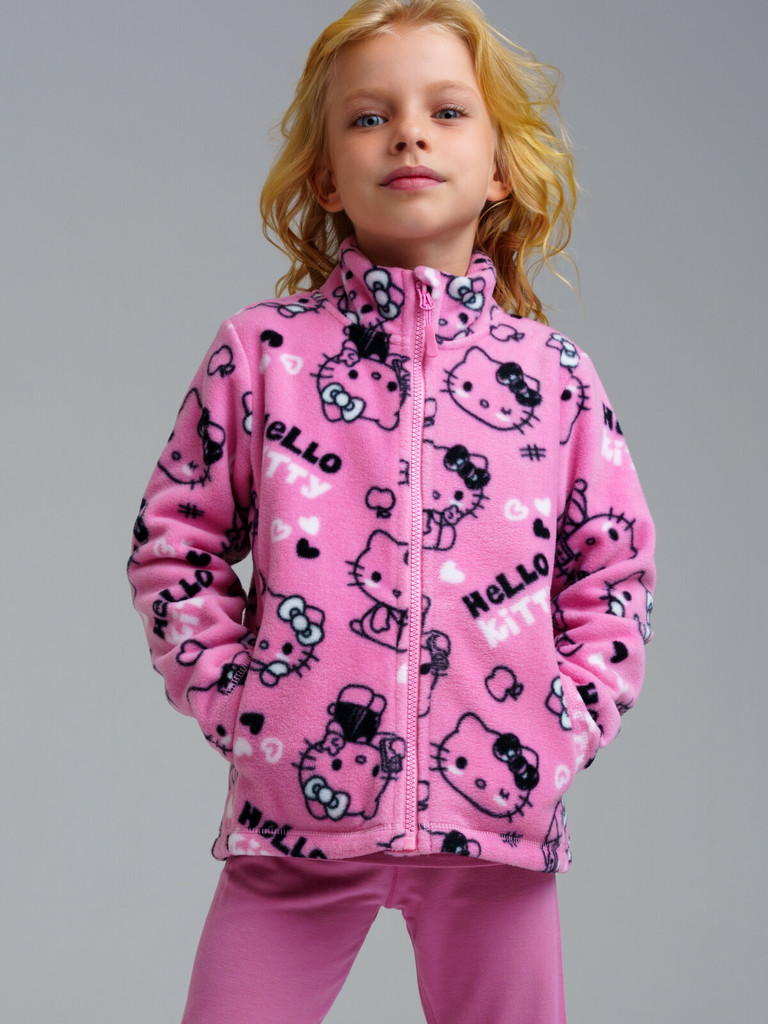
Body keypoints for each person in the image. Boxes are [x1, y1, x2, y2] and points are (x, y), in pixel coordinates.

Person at [127, 1, 656, 1021]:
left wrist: (564, 723)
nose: (409, 134)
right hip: (293, 826)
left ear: (499, 167)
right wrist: (245, 704)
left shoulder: (555, 378)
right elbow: (173, 542)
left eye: (447, 111)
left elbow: (614, 572)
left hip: (495, 830)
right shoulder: (264, 355)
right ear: (327, 176)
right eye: (369, 117)